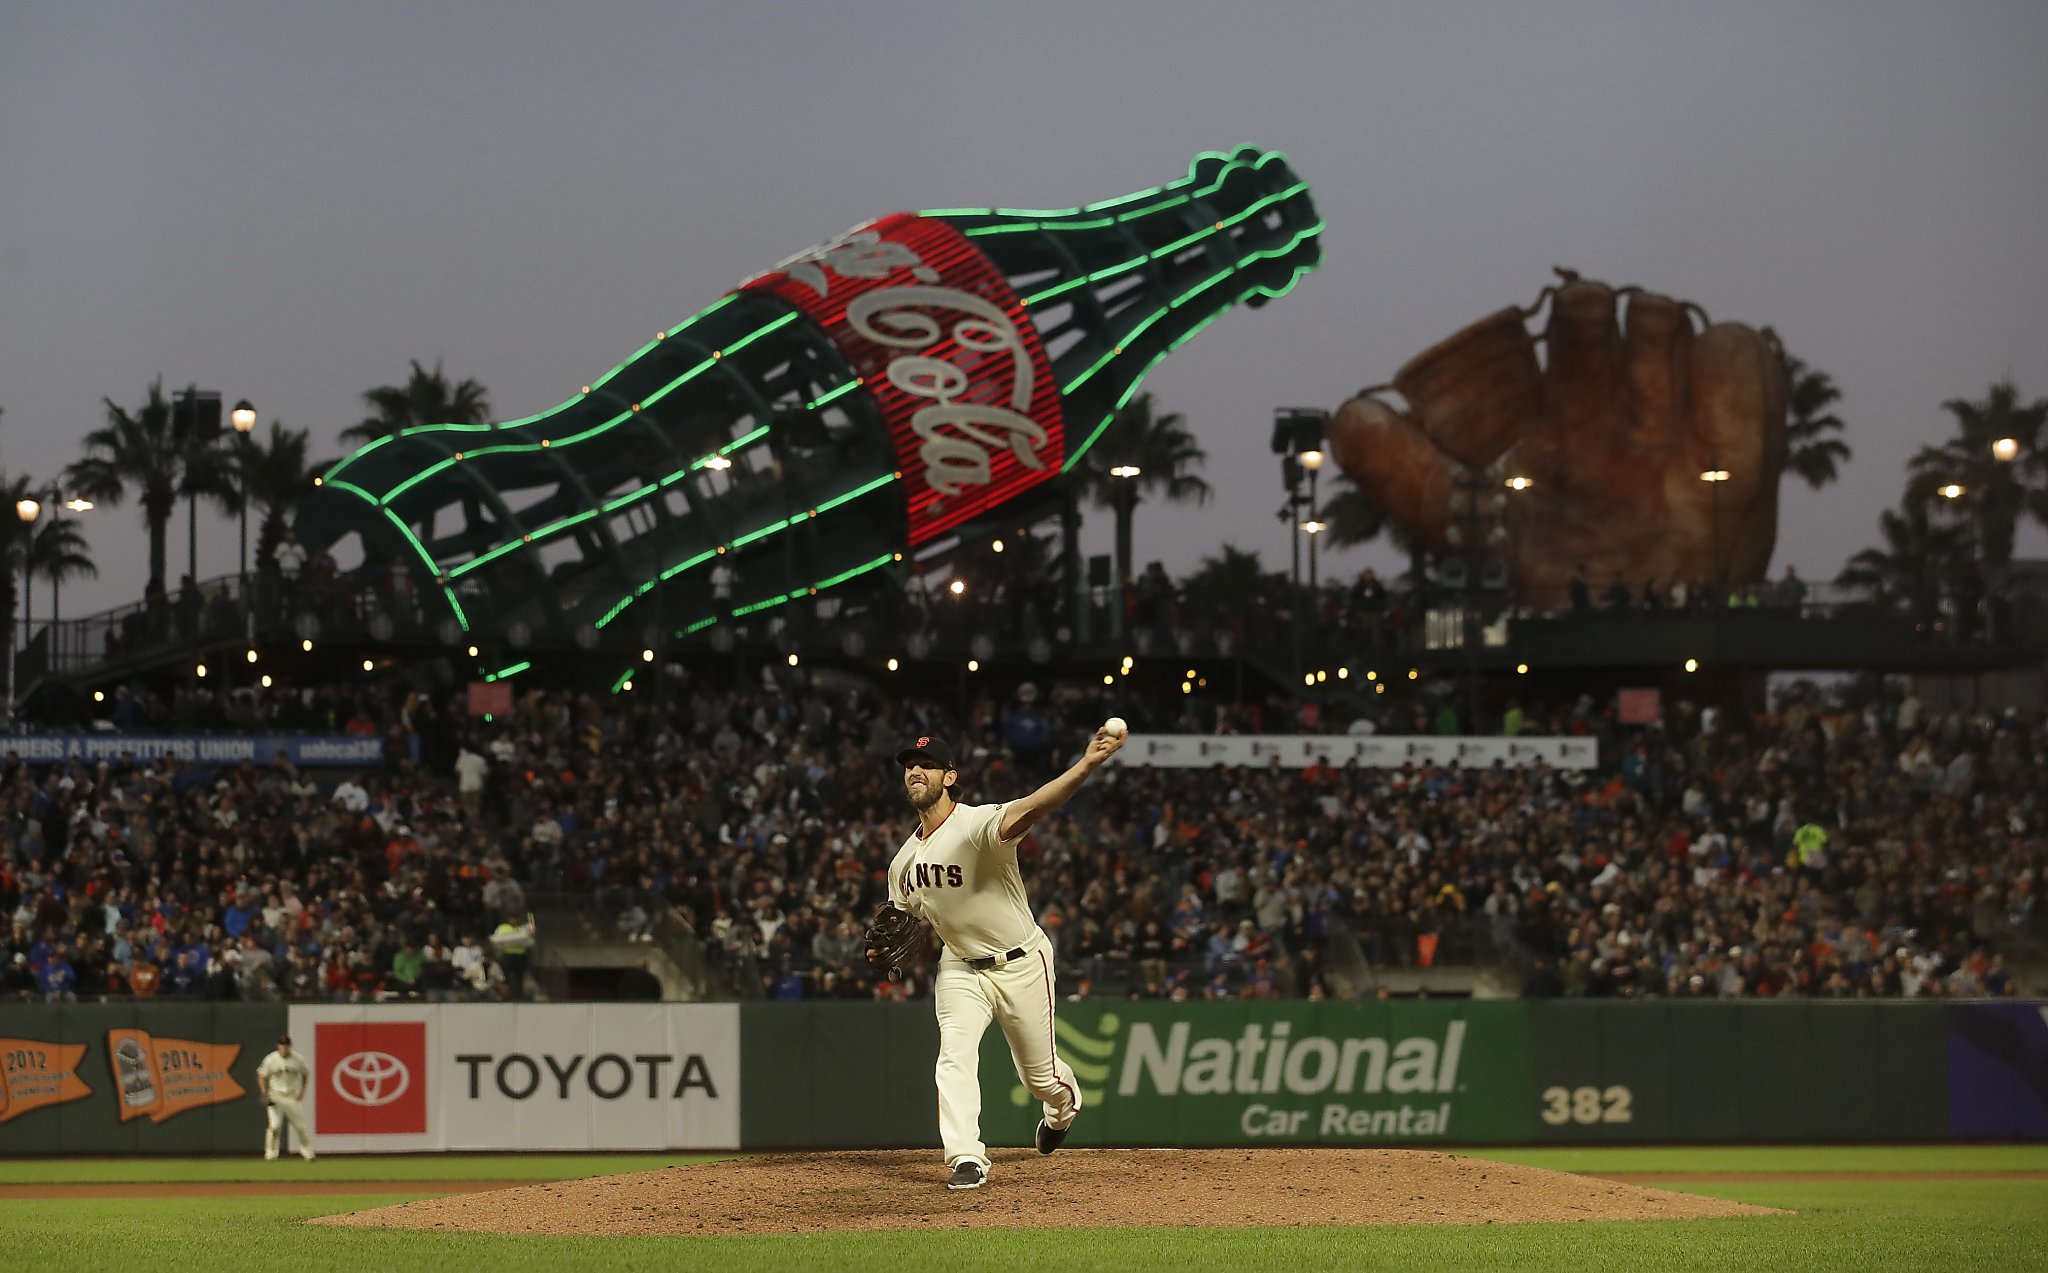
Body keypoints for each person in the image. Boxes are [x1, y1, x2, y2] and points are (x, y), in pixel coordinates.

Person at [881, 727, 1124, 1192]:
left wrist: (1088, 765)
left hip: (1021, 963)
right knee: (953, 1056)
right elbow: (900, 919)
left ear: (949, 777)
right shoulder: (903, 861)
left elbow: (1036, 804)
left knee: (1041, 1078)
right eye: (910, 765)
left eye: (927, 765)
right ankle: (966, 1157)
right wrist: (883, 947)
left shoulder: (977, 826)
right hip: (959, 968)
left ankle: (1062, 1108)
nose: (915, 770)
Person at [256, 1034, 316, 1161]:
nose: (284, 1047)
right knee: (275, 1126)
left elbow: (305, 1074)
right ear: (278, 1046)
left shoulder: (298, 1059)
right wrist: (265, 1093)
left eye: (286, 1045)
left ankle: (308, 1153)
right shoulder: (271, 1059)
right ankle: (271, 1154)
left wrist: (302, 1091)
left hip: (291, 1096)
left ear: (290, 1046)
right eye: (282, 1045)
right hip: (275, 1095)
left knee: (300, 1127)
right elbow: (261, 1075)